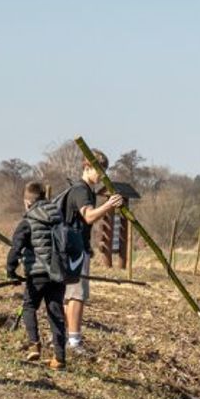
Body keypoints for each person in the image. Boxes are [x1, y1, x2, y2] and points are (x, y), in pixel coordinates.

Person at [59, 148, 123, 351]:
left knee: (69, 295)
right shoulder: (81, 191)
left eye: (104, 171)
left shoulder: (84, 190)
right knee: (77, 295)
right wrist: (108, 206)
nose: (102, 176)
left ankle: (65, 337)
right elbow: (88, 216)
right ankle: (74, 341)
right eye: (99, 171)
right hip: (75, 251)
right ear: (87, 167)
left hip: (70, 248)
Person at [5, 181, 67, 370]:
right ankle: (59, 358)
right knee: (56, 313)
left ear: (27, 202)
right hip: (57, 273)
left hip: (37, 273)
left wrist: (11, 271)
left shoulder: (28, 221)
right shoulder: (58, 217)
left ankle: (34, 344)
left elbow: (16, 248)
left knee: (29, 306)